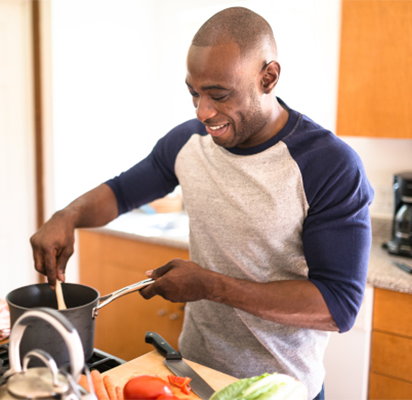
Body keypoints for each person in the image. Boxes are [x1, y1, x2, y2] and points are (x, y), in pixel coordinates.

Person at [30, 7, 374, 400]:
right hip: (190, 378)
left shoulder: (328, 165)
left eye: (219, 95)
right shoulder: (188, 142)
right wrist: (66, 216)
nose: (202, 112)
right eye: (194, 92)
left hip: (278, 389)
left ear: (269, 77)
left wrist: (211, 286)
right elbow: (122, 192)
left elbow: (337, 307)